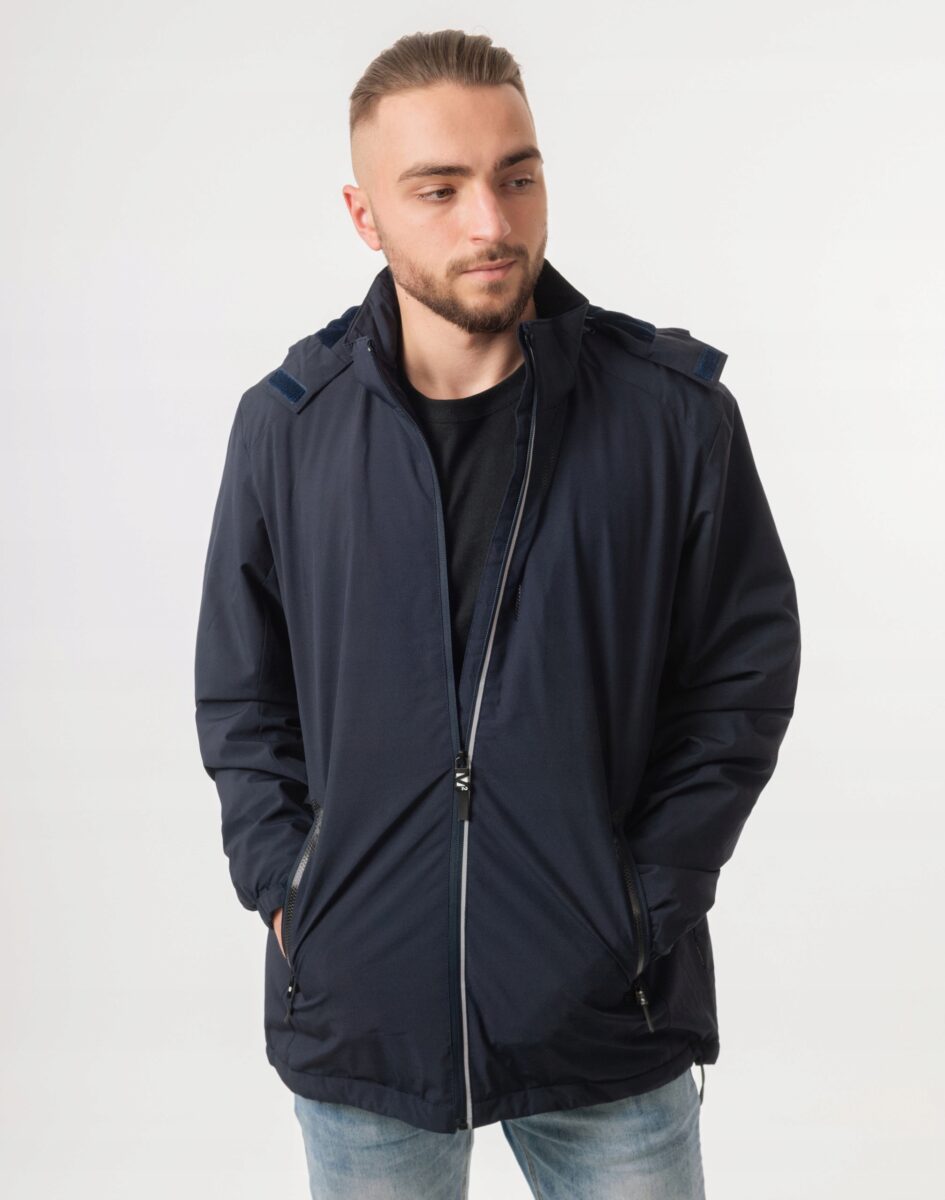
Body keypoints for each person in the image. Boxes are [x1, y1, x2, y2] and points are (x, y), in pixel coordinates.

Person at [193, 28, 801, 1199]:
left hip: (605, 1018)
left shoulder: (669, 418)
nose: (493, 221)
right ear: (365, 215)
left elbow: (744, 673)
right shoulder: (289, 428)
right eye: (440, 188)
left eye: (517, 176)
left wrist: (646, 901)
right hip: (366, 1022)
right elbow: (241, 693)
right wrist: (289, 888)